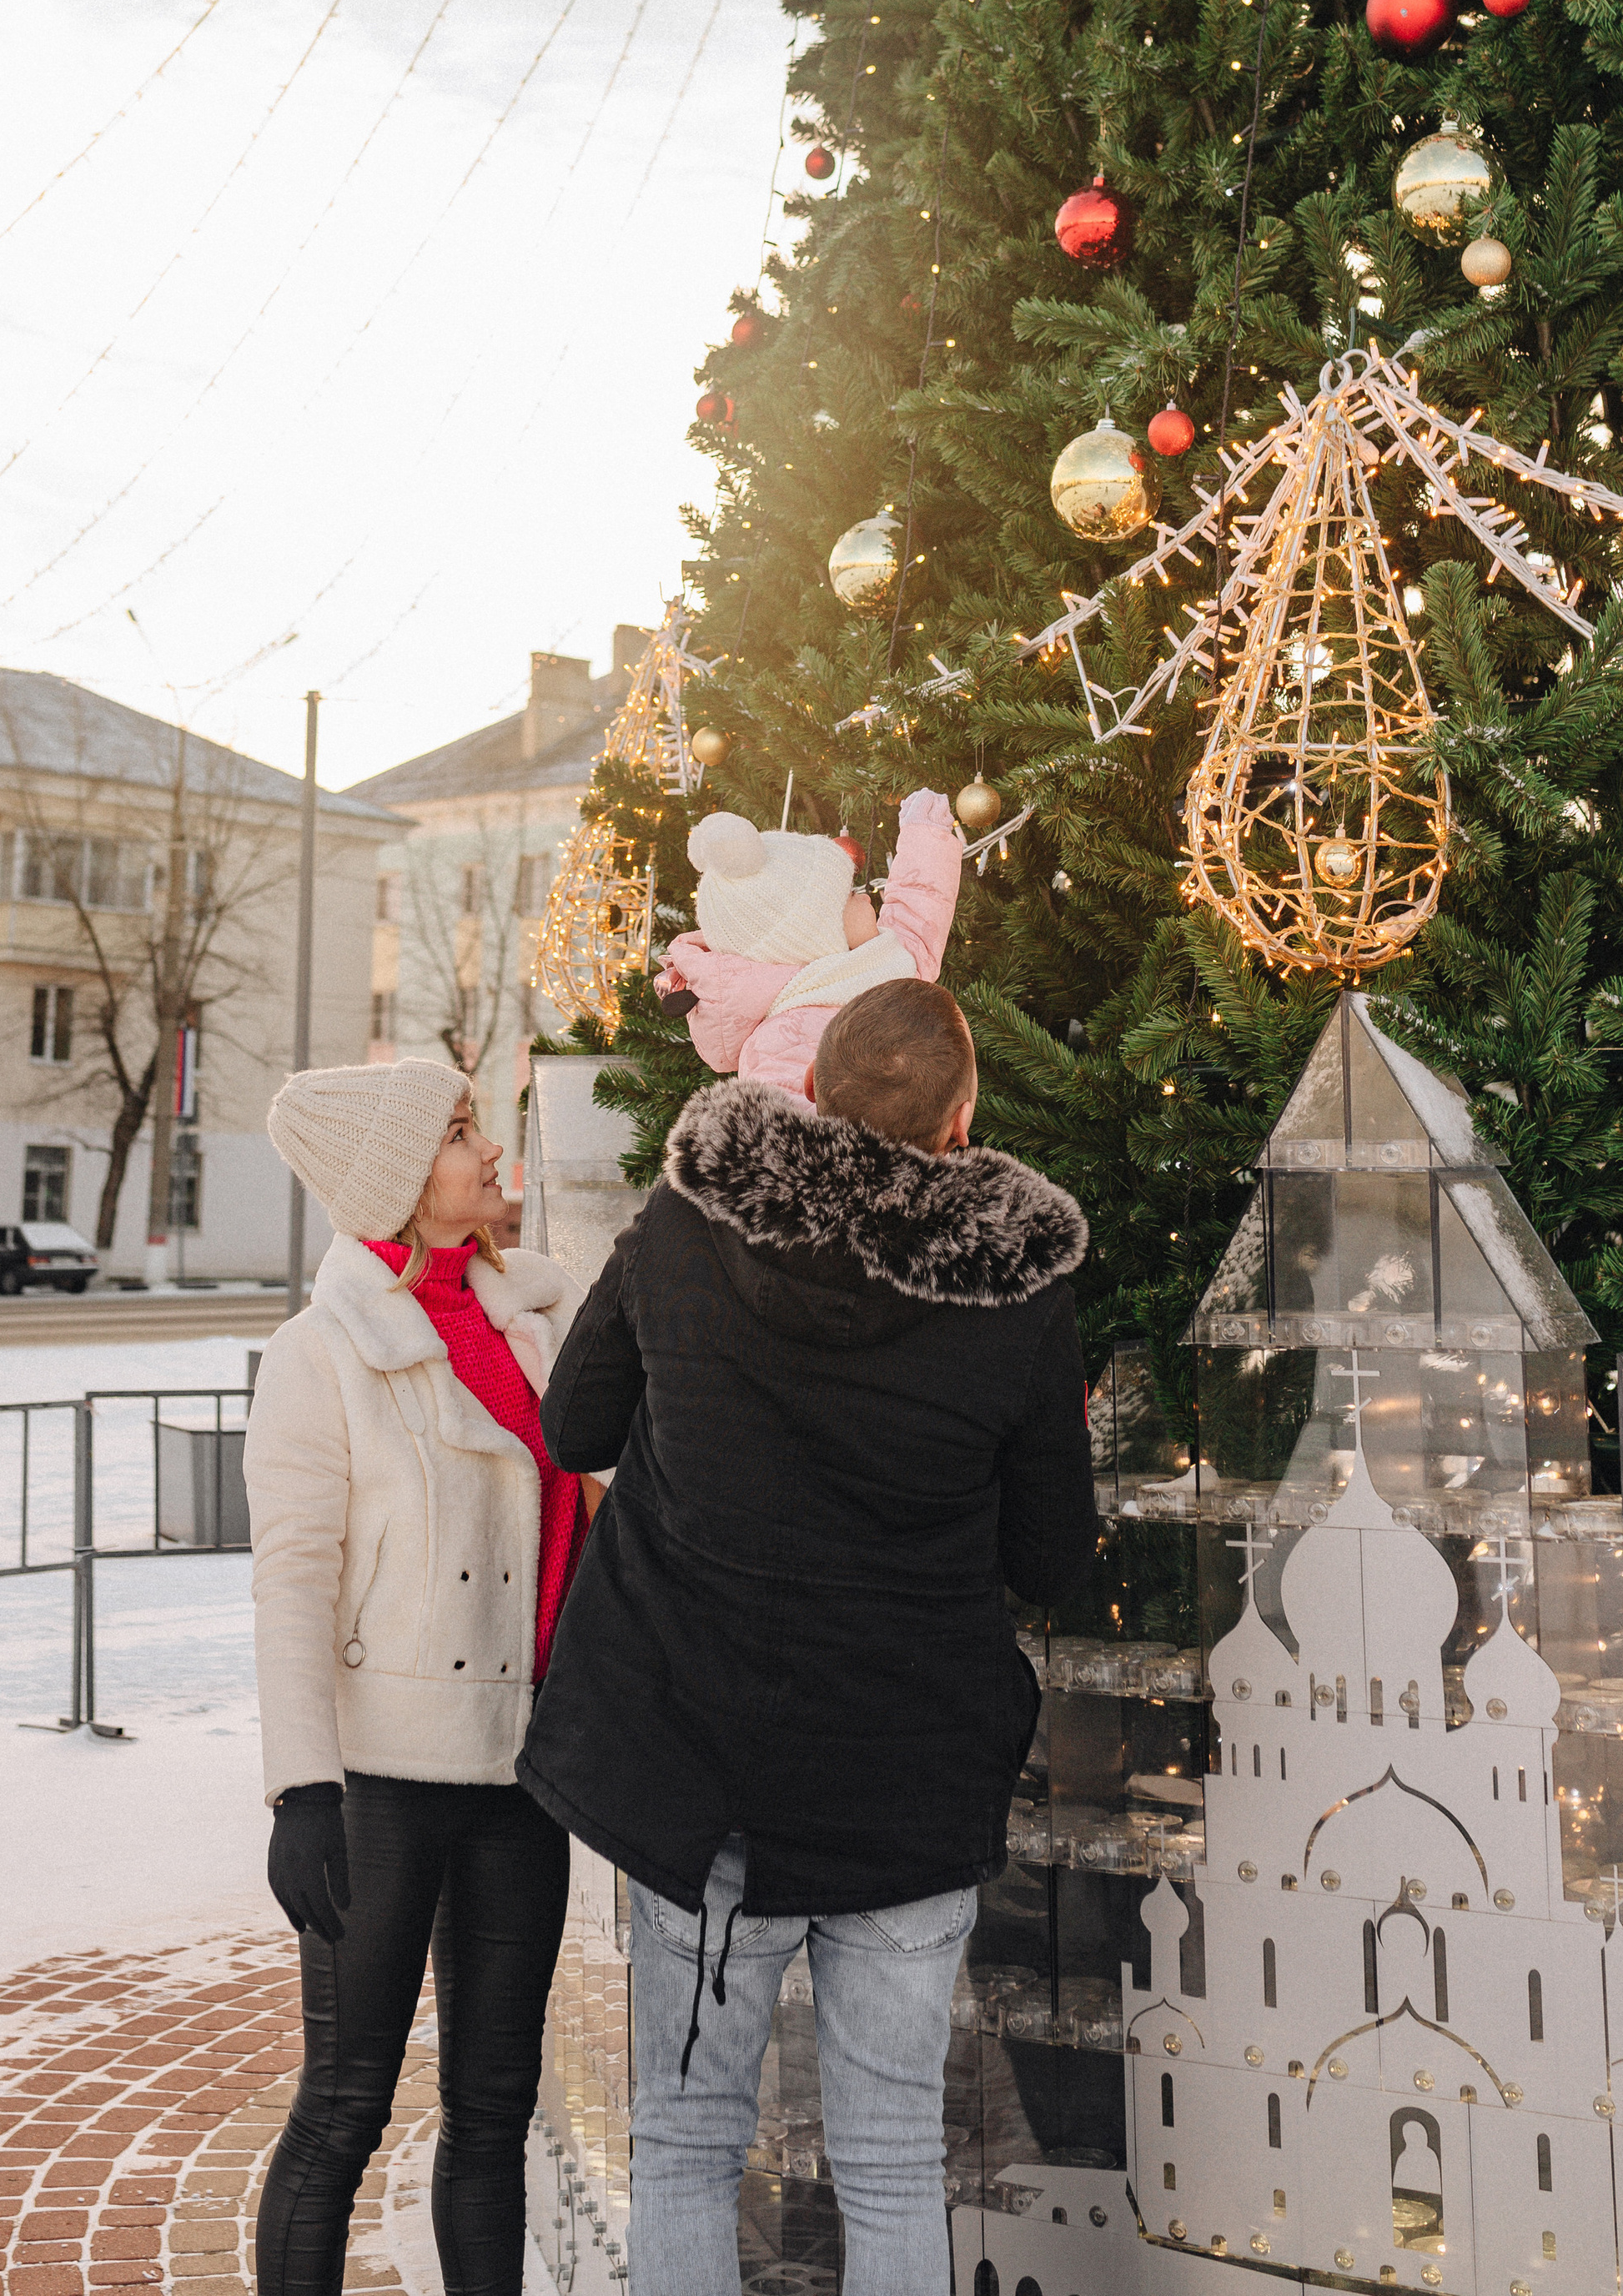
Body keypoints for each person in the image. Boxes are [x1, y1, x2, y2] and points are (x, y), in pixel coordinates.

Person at [519, 980, 1098, 2296]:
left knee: (683, 2141)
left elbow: (574, 1427)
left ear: (812, 1093)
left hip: (696, 1770)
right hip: (907, 1781)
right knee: (894, 2157)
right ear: (963, 1118)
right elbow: (1053, 1560)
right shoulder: (1014, 1294)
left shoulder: (687, 1217)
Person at [245, 1058, 592, 2296]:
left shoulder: (536, 1323)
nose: (490, 1153)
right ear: (398, 1182)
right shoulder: (322, 1353)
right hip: (382, 1782)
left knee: (496, 2111)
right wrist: (302, 1790)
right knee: (343, 2111)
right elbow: (289, 1579)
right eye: (457, 1135)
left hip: (521, 1772)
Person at [656, 784, 962, 1103]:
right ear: (814, 934)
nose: (864, 894)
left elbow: (916, 917)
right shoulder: (782, 1041)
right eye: (848, 894)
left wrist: (926, 834)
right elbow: (798, 1137)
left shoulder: (877, 963)